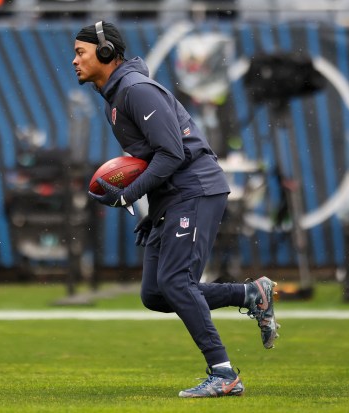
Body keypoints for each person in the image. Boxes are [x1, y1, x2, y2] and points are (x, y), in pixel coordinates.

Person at [73, 21, 279, 398]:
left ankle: (224, 373)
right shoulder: (116, 100)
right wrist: (151, 212)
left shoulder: (137, 91)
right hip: (175, 195)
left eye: (80, 52)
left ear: (106, 53)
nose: (75, 61)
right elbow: (153, 158)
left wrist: (129, 195)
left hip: (195, 189)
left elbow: (173, 153)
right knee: (155, 293)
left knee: (175, 282)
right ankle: (250, 295)